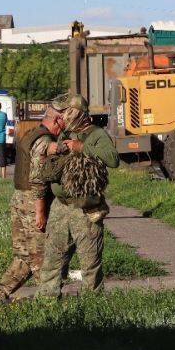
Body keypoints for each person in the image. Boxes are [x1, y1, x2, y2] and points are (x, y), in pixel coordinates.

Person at [36, 94, 120, 297]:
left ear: (77, 113)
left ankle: (92, 306)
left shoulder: (96, 134)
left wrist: (83, 148)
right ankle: (46, 302)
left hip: (85, 208)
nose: (63, 116)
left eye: (66, 112)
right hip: (60, 205)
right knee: (52, 259)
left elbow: (113, 159)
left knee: (90, 261)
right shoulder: (64, 133)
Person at [0, 105, 64, 303]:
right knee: (41, 257)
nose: (64, 129)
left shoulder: (30, 134)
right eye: (64, 123)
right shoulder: (45, 140)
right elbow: (38, 178)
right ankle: (49, 302)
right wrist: (40, 211)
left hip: (19, 198)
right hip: (32, 202)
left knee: (23, 256)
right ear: (56, 120)